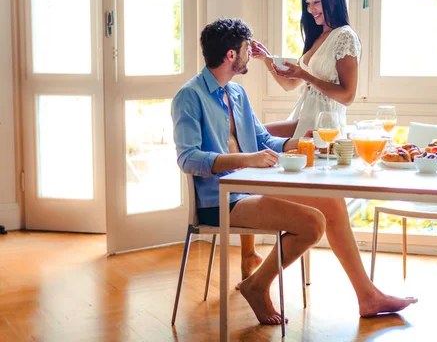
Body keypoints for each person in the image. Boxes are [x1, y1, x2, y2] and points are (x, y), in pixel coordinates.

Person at [172, 18, 417, 326]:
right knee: (313, 223)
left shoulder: (236, 94)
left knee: (331, 201)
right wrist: (248, 160)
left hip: (253, 186)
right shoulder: (189, 96)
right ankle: (257, 285)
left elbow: (262, 139)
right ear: (232, 56)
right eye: (246, 49)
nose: (250, 54)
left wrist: (299, 142)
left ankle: (367, 295)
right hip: (220, 200)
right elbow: (188, 158)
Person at [251, 0, 360, 139]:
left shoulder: (345, 37)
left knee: (254, 135)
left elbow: (348, 96)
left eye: (316, 2)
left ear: (332, 0)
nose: (310, 9)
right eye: (308, 3)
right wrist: (266, 59)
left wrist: (306, 75)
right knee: (252, 133)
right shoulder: (318, 37)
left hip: (324, 128)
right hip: (304, 119)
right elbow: (290, 85)